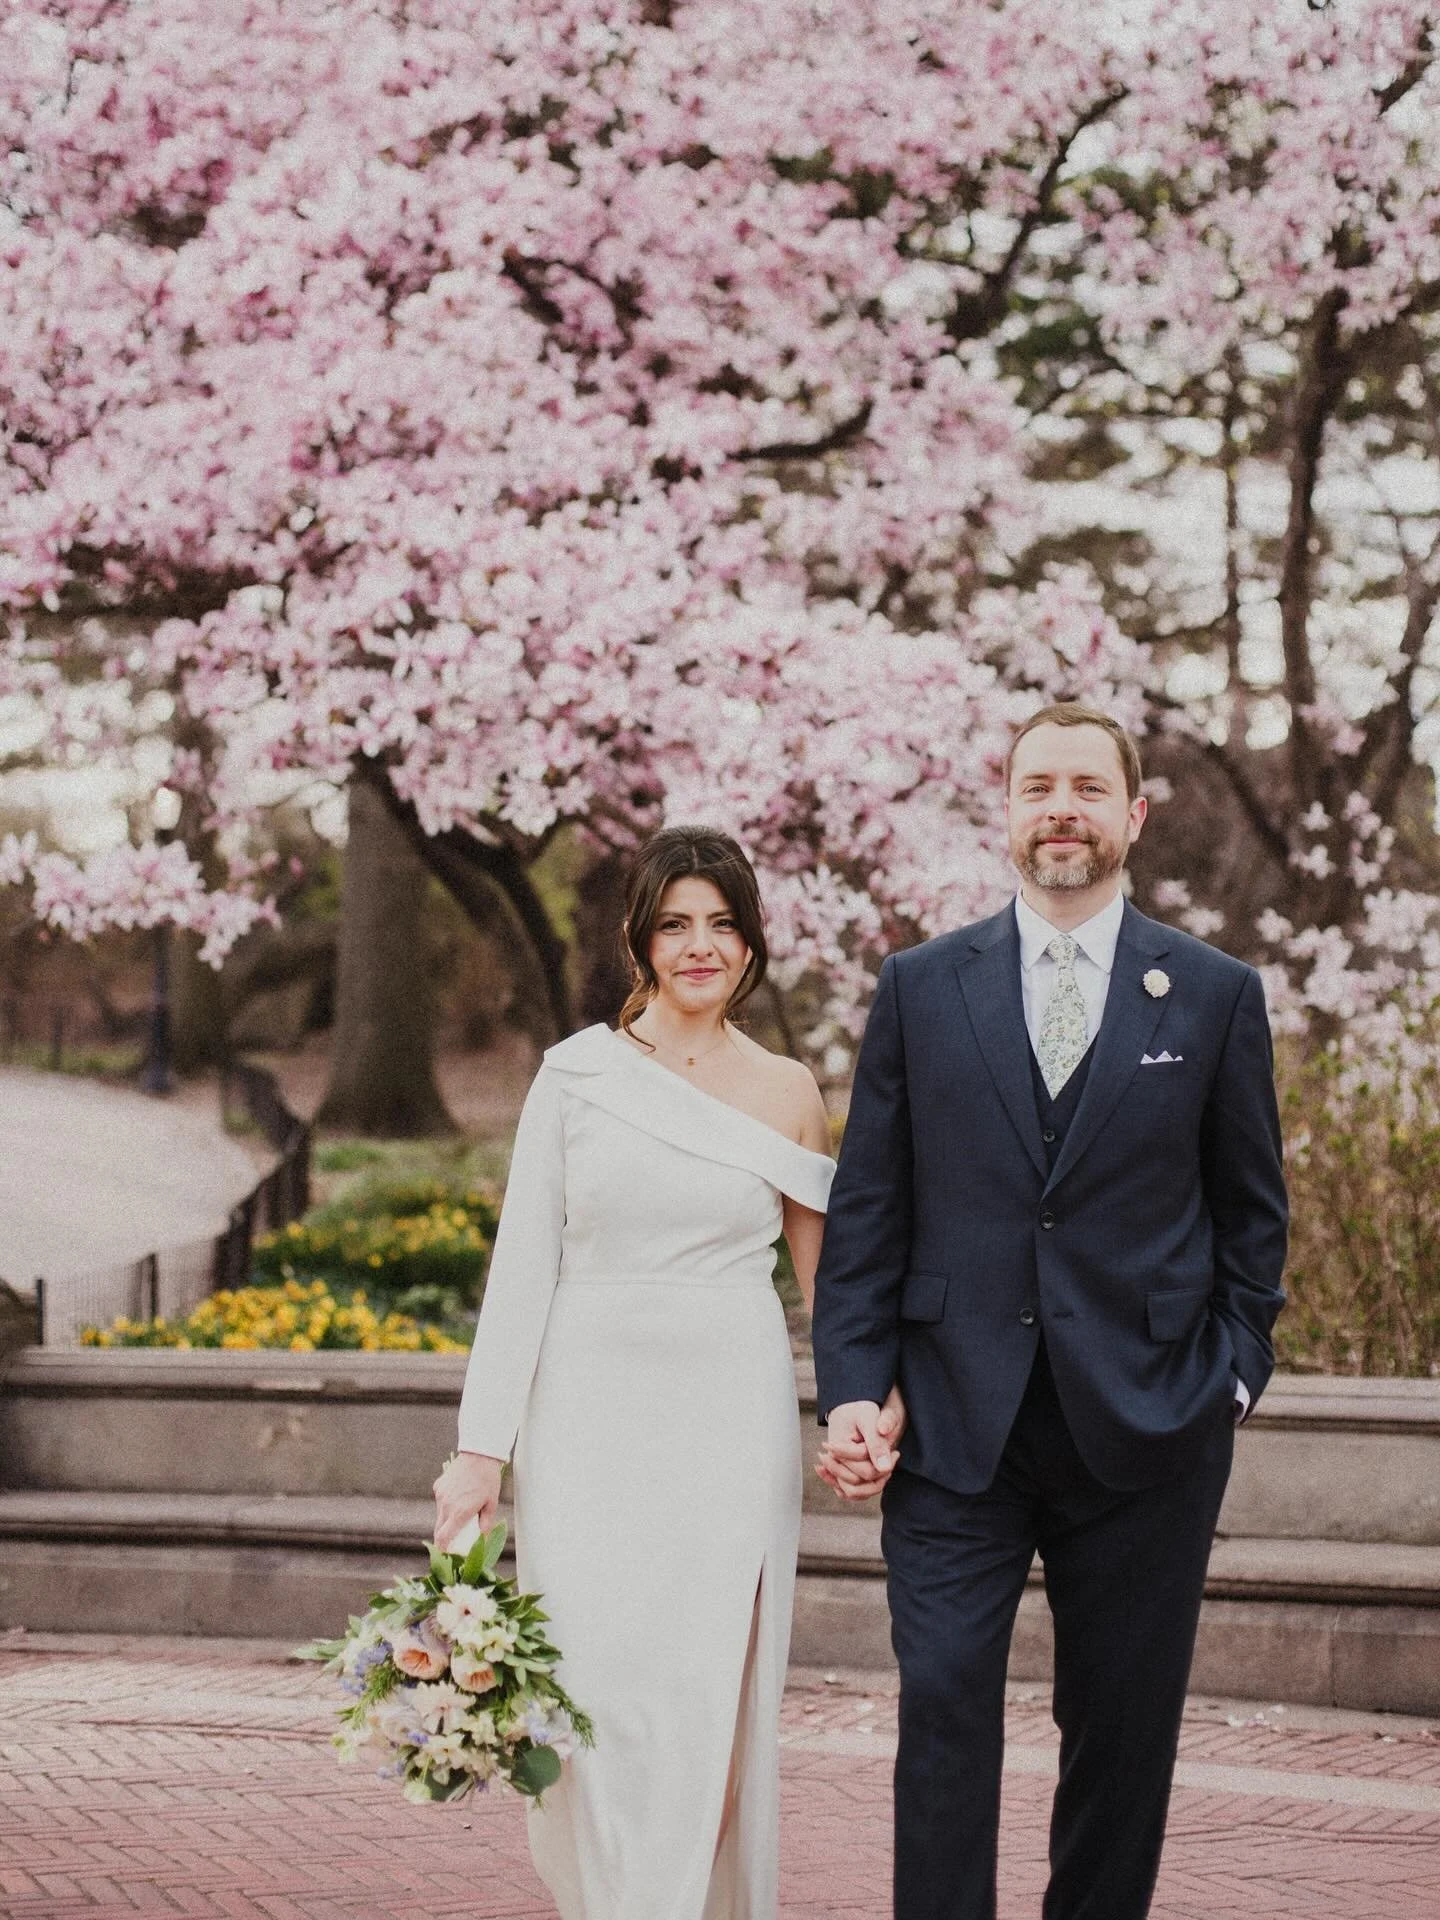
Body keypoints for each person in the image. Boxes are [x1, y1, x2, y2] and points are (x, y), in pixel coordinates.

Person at [812, 703, 1288, 1920]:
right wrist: (857, 1386)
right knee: (949, 1713)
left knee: (1123, 1738)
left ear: (1132, 814)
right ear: (1007, 814)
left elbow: (1252, 1215)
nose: (1060, 810)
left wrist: (1229, 1376)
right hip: (955, 1429)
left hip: (1148, 1431)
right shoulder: (921, 987)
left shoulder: (1216, 995)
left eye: (1087, 788)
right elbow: (870, 1212)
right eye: (1037, 788)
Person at [433, 825, 902, 1920]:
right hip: (587, 1421)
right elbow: (522, 1274)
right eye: (678, 923)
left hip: (725, 1429)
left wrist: (867, 1409)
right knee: (587, 1698)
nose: (702, 946)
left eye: (724, 924)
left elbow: (831, 1284)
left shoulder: (787, 1090)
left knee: (699, 1704)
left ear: (751, 945)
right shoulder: (575, 1076)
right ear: (639, 936)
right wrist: (479, 1455)